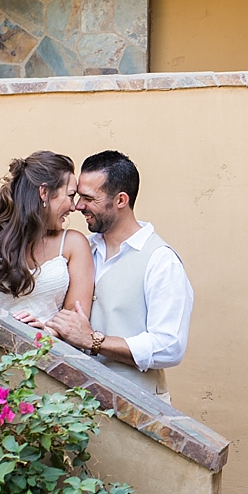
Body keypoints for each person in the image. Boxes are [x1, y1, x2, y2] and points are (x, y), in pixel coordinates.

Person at [46, 150, 192, 404]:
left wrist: (95, 341)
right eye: (79, 196)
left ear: (121, 200)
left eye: (89, 198)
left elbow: (169, 347)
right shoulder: (82, 249)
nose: (78, 206)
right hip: (78, 405)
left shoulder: (160, 260)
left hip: (138, 408)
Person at [0, 151, 94, 325]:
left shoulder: (73, 244)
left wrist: (48, 331)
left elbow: (77, 317)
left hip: (48, 349)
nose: (73, 207)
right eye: (70, 196)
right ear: (44, 193)